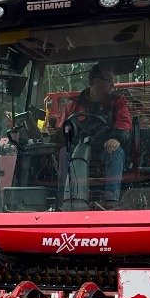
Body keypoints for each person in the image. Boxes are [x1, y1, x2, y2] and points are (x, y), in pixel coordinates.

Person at [58, 62, 131, 204]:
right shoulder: (74, 106)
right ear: (96, 81)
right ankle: (63, 199)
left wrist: (116, 138)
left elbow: (124, 122)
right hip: (80, 148)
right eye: (110, 80)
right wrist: (66, 137)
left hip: (106, 147)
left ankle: (111, 201)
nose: (113, 85)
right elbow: (63, 130)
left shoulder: (117, 102)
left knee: (114, 152)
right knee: (63, 153)